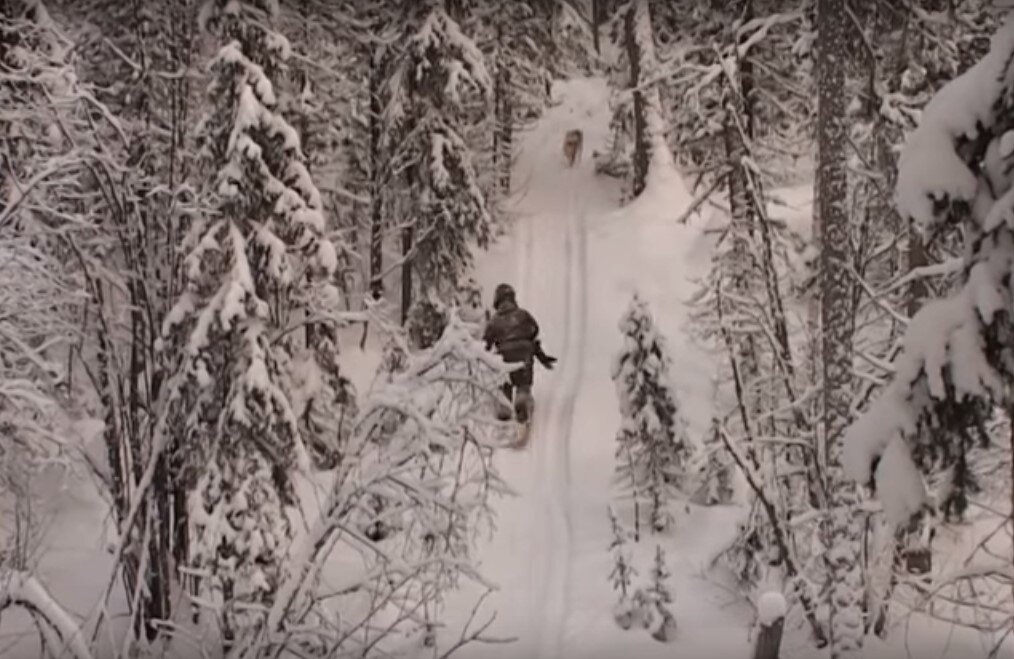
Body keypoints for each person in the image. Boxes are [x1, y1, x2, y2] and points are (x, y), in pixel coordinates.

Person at [482, 283, 557, 423]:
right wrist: (541, 356)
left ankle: (504, 405)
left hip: (504, 359)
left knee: (505, 381)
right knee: (523, 383)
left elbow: (485, 344)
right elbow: (534, 330)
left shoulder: (494, 321)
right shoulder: (523, 315)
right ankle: (522, 401)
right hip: (524, 357)